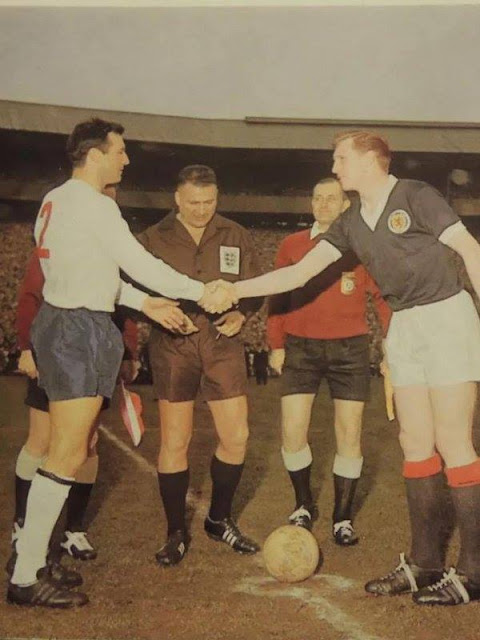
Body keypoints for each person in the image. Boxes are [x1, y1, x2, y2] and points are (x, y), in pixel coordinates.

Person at [217, 130, 480, 607]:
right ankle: (425, 563)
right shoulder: (352, 220)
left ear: (371, 160)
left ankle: (475, 571)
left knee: (454, 441)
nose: (334, 167)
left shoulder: (416, 195)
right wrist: (236, 290)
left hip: (446, 315)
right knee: (414, 443)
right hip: (405, 325)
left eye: (341, 158)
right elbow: (299, 272)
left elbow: (470, 249)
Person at [7, 118, 230, 609]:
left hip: (61, 322)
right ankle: (25, 573)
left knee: (63, 449)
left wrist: (143, 303)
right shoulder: (96, 204)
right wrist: (200, 291)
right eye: (119, 151)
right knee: (67, 453)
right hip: (78, 330)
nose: (126, 159)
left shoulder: (55, 200)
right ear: (95, 155)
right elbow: (139, 262)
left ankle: (33, 557)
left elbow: (91, 272)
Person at [137, 164, 263, 567]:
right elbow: (131, 292)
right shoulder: (151, 238)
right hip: (173, 344)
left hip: (221, 343)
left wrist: (242, 314)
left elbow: (254, 288)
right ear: (177, 198)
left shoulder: (235, 234)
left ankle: (218, 519)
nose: (202, 209)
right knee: (176, 440)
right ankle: (175, 531)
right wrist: (156, 313)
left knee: (237, 436)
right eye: (193, 202)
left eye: (209, 202)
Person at [12, 186, 140, 563]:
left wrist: (130, 352)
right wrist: (26, 347)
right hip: (55, 349)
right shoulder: (59, 239)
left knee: (89, 444)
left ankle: (74, 530)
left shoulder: (115, 245)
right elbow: (30, 297)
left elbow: (124, 307)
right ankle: (23, 526)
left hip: (96, 354)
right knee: (42, 440)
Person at [267, 178, 391, 544]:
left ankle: (342, 517)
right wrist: (276, 343)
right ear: (311, 203)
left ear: (344, 206)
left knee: (349, 433)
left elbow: (382, 298)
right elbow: (277, 295)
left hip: (350, 349)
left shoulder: (360, 246)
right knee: (292, 431)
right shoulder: (292, 245)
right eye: (317, 198)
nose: (323, 204)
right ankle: (303, 504)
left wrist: (391, 344)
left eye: (331, 198)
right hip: (300, 347)